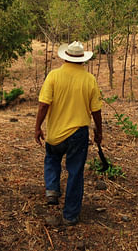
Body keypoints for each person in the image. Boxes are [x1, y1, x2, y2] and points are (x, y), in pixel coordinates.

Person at [35, 41, 103, 226]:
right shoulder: (89, 80)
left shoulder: (54, 76)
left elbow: (43, 105)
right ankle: (70, 215)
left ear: (65, 57)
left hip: (56, 133)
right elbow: (96, 110)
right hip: (78, 134)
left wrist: (37, 127)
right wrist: (99, 132)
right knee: (75, 172)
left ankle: (52, 190)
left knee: (52, 157)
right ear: (82, 59)